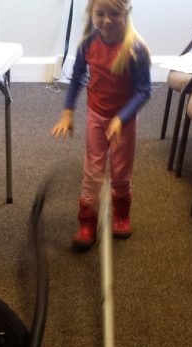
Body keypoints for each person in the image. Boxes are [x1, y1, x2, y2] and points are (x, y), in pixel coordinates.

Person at [51, 0, 151, 249]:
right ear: (91, 14)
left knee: (120, 172)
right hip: (96, 116)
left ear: (126, 13)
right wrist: (67, 112)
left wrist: (121, 118)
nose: (107, 20)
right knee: (92, 171)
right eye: (100, 13)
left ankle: (121, 214)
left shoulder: (135, 49)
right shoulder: (88, 45)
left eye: (114, 14)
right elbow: (77, 78)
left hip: (123, 122)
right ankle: (87, 222)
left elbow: (144, 91)